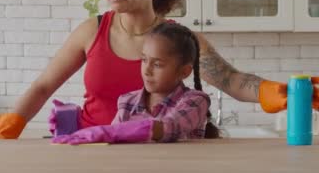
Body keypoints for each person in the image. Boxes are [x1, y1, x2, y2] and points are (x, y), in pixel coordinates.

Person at [0, 0, 319, 139]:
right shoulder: (92, 30)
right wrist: (14, 121)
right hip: (92, 150)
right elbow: (42, 86)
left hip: (155, 157)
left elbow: (230, 80)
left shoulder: (177, 39)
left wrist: (277, 92)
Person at [53, 23, 219, 144]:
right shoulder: (127, 101)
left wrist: (111, 131)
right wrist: (69, 125)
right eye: (144, 60)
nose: (147, 70)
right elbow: (113, 144)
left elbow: (171, 127)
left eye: (157, 64)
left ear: (184, 71)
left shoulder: (195, 101)